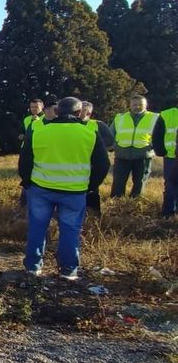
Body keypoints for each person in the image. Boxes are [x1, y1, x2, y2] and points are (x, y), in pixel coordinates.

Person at [20, 97, 110, 280]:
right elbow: (103, 164)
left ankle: (32, 267)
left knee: (37, 227)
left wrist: (28, 182)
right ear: (79, 113)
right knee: (70, 230)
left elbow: (25, 160)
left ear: (57, 112)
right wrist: (91, 186)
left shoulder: (38, 129)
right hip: (74, 191)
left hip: (40, 189)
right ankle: (68, 270)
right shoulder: (90, 132)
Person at [110, 94, 159, 198]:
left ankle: (135, 205)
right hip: (122, 155)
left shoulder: (155, 118)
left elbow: (160, 136)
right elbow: (110, 134)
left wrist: (153, 148)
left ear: (146, 105)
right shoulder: (120, 117)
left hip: (143, 156)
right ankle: (115, 205)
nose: (137, 107)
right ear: (130, 105)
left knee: (139, 183)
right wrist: (111, 146)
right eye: (134, 104)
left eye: (140, 104)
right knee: (118, 182)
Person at [153, 104, 178, 217]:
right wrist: (160, 150)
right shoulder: (166, 114)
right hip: (171, 157)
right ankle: (168, 213)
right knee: (170, 185)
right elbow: (157, 134)